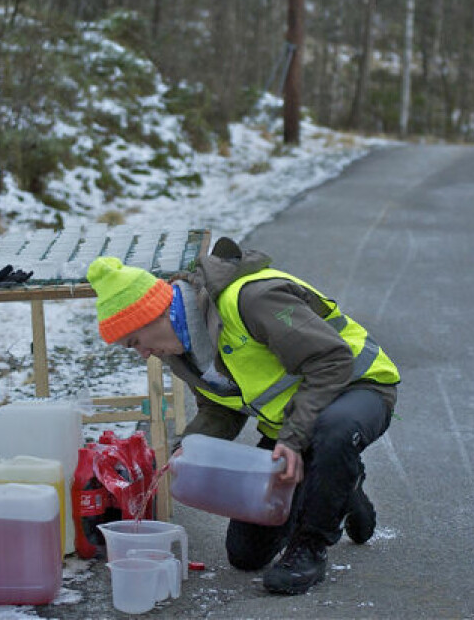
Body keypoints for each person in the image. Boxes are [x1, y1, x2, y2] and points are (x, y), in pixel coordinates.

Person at [86, 236, 400, 595]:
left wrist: (292, 439)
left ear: (154, 314)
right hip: (295, 424)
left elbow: (332, 360)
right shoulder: (179, 351)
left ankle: (311, 546)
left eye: (135, 342)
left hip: (357, 387)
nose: (143, 354)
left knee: (334, 433)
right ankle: (341, 480)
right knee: (246, 554)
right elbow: (221, 405)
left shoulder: (250, 300)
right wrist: (190, 446)